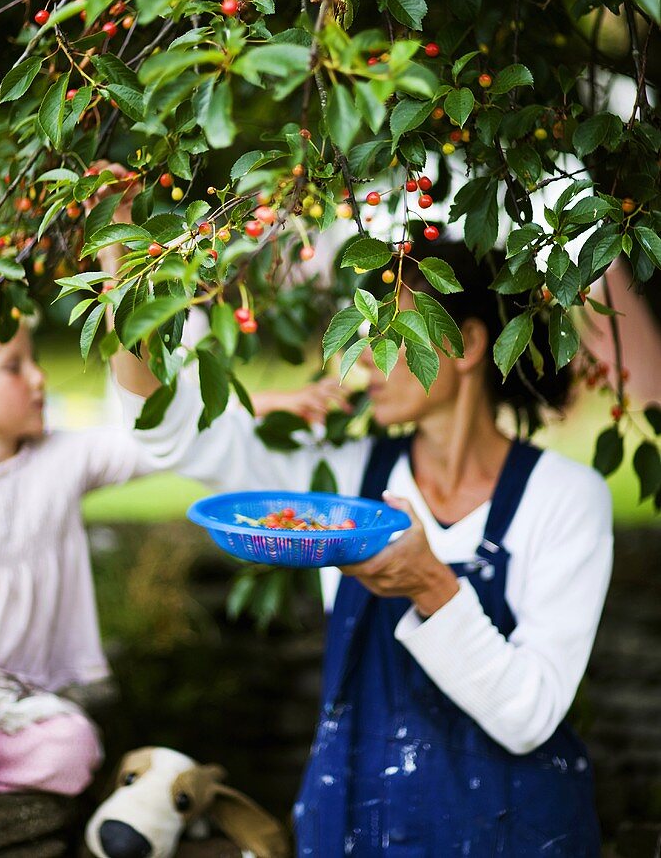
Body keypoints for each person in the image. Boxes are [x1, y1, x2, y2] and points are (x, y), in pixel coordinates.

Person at [96, 183, 612, 855]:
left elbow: (529, 717)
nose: (363, 359)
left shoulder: (566, 498)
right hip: (360, 829)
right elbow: (160, 425)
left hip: (517, 835)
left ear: (466, 344)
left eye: (387, 335)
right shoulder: (340, 477)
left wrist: (434, 587)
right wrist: (124, 259)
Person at [0, 313, 173, 820]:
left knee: (75, 751)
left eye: (34, 360)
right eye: (13, 366)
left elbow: (151, 441)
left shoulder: (61, 459)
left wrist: (265, 408)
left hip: (13, 703)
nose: (39, 377)